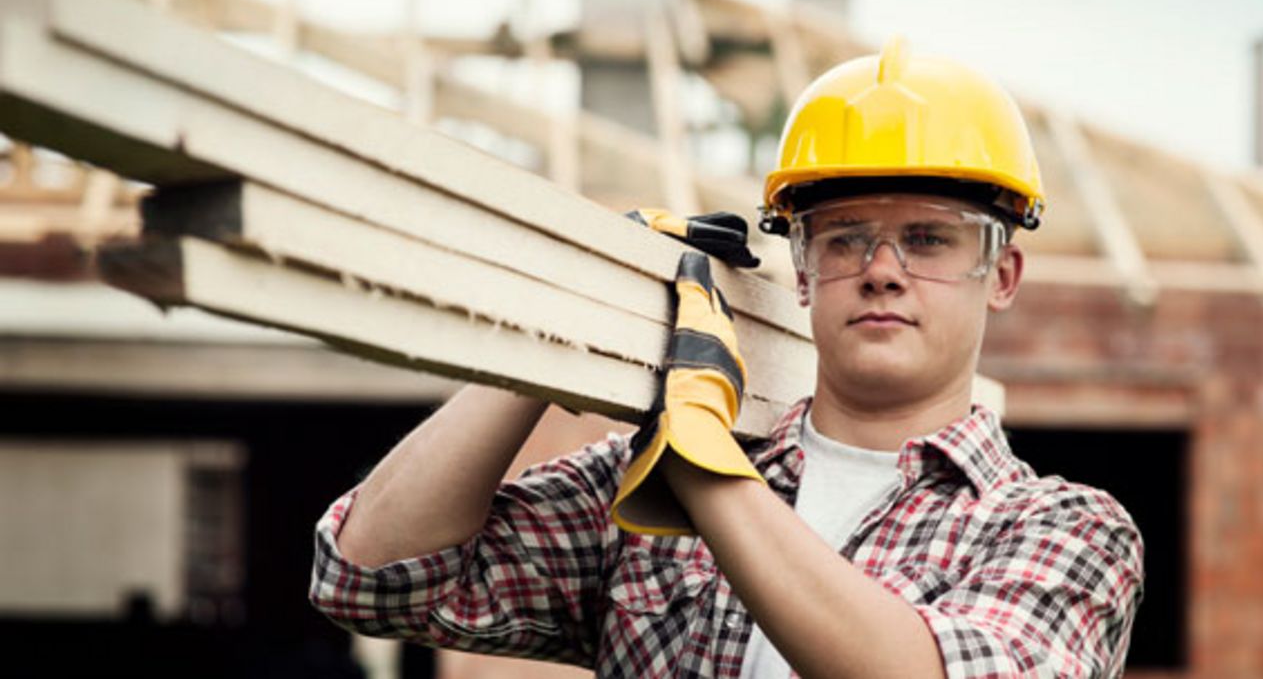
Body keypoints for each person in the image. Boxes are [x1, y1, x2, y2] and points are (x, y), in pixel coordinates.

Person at [309, 37, 1144, 678]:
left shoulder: (1063, 530)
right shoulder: (637, 491)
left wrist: (699, 466)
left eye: (926, 237)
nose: (882, 269)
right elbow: (369, 576)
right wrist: (561, 332)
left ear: (1000, 275)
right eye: (844, 238)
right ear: (804, 272)